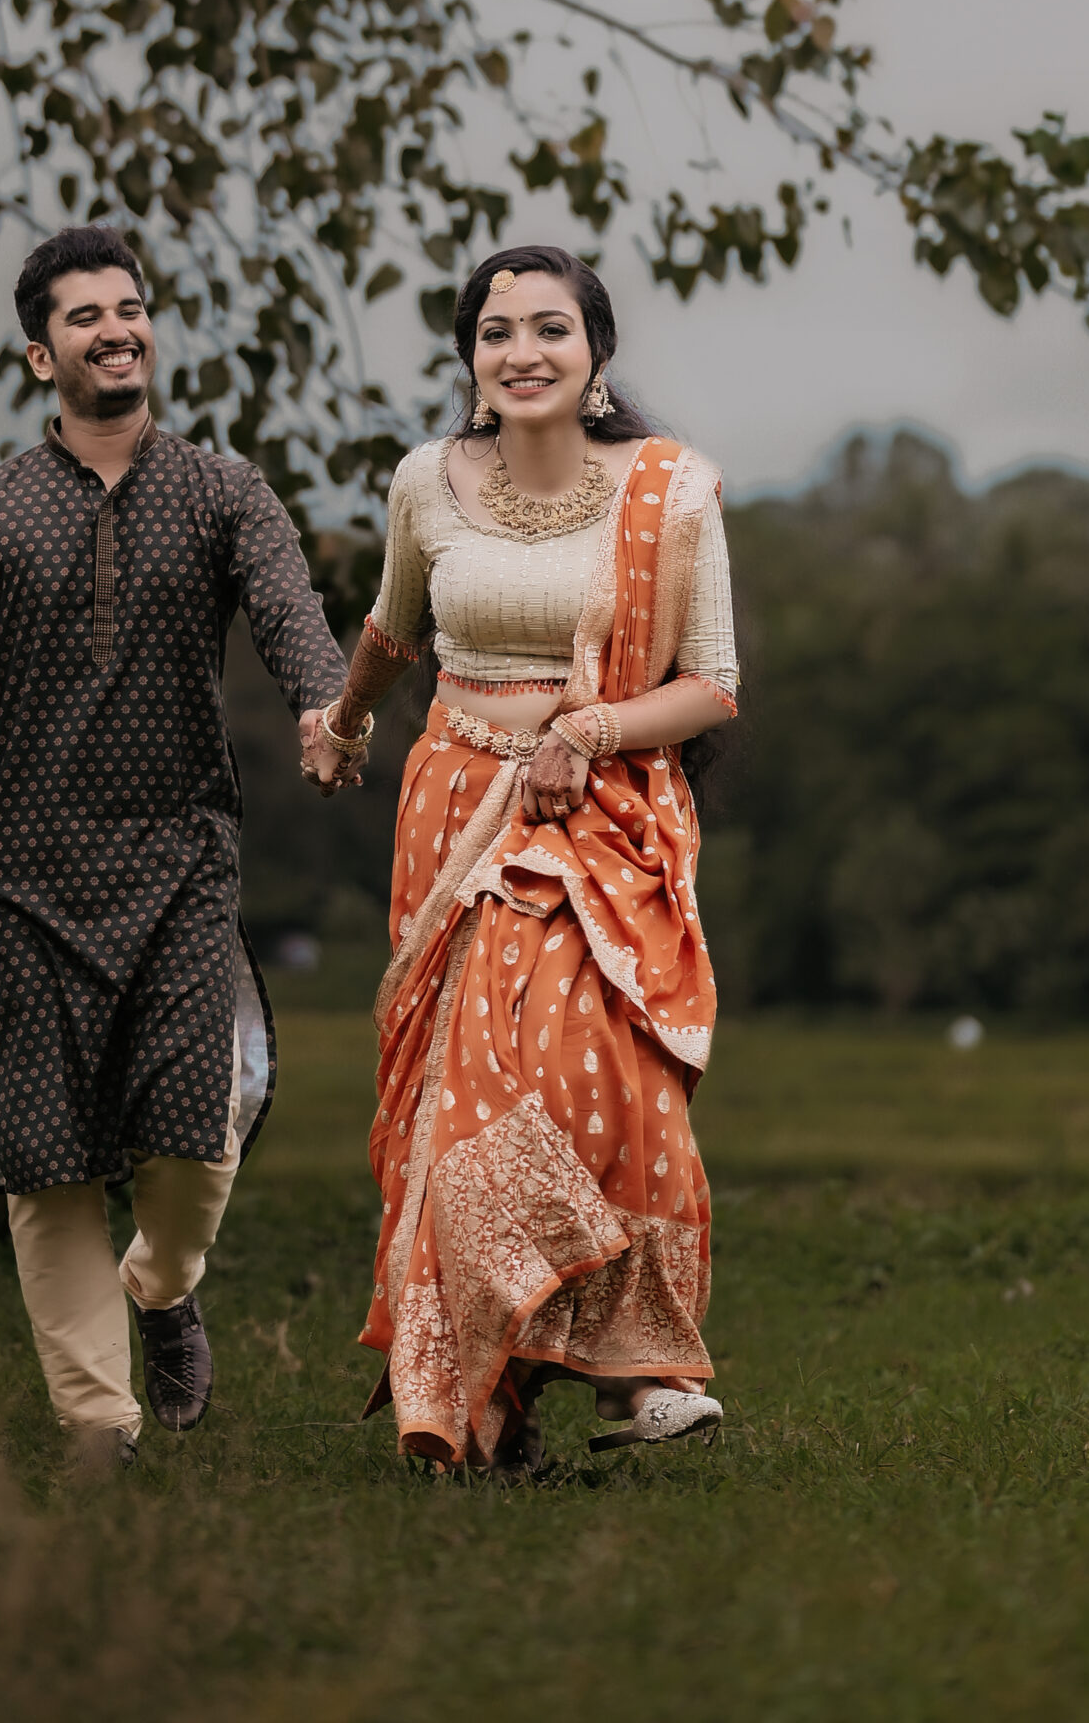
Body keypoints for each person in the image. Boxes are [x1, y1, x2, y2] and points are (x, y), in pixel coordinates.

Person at [0, 225, 351, 1471]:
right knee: (43, 1167)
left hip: (176, 867)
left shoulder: (222, 492)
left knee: (197, 1131)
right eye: (85, 315)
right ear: (40, 354)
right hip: (18, 882)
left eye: (130, 308)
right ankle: (97, 1424)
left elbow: (292, 616)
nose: (116, 329)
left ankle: (163, 1287)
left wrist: (324, 704)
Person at [301, 245, 739, 1471]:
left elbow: (711, 683)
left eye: (550, 328)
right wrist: (340, 724)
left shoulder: (670, 491)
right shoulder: (426, 483)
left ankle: (635, 1365)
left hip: (602, 814)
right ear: (471, 361)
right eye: (497, 333)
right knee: (471, 1089)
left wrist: (588, 728)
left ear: (595, 357)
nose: (522, 352)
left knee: (595, 1063)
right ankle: (486, 1395)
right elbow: (394, 629)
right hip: (458, 810)